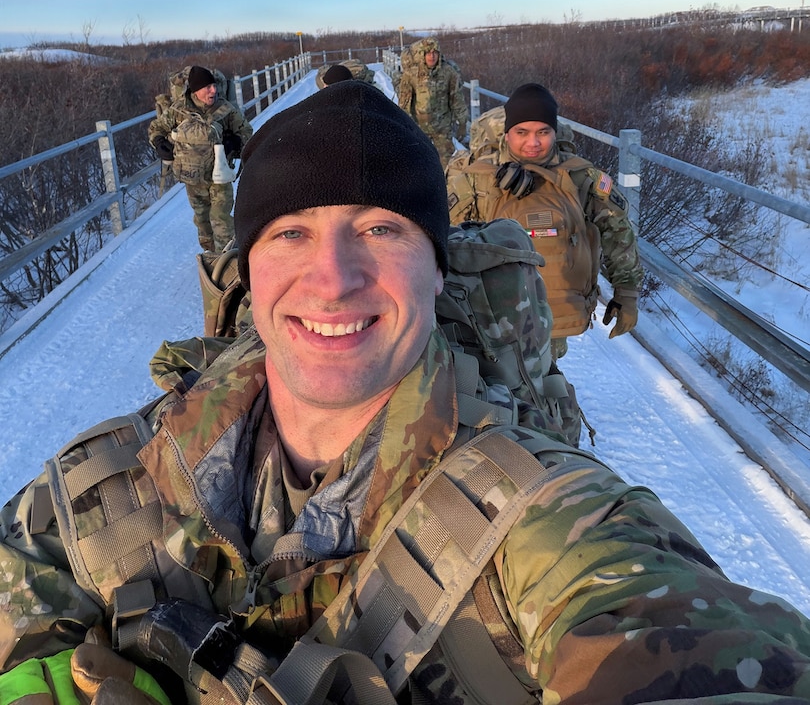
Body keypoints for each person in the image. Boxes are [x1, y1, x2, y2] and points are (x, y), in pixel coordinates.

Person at [2, 82, 810, 705]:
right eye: (290, 233)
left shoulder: (551, 527)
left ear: (437, 263)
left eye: (382, 229)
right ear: (247, 270)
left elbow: (671, 634)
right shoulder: (107, 479)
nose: (334, 279)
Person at [447, 82, 642, 360]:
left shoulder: (580, 177)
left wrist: (627, 293)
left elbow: (617, 232)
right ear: (507, 132)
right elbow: (446, 242)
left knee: (547, 381)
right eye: (521, 132)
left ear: (554, 132)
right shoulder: (477, 178)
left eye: (543, 132)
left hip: (556, 316)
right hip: (488, 319)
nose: (533, 142)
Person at [148, 64, 253, 253]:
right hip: (193, 178)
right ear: (196, 91)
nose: (213, 90)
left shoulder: (226, 110)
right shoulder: (178, 111)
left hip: (220, 176)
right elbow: (156, 128)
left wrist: (235, 141)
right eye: (208, 87)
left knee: (220, 218)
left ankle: (226, 262)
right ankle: (211, 256)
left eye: (214, 86)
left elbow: (246, 131)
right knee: (203, 221)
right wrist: (158, 142)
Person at [397, 36, 468, 167]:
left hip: (442, 127)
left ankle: (444, 187)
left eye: (435, 52)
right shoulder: (412, 74)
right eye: (428, 53)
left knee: (445, 165)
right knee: (419, 162)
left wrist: (462, 123)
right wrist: (403, 125)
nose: (432, 56)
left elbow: (456, 98)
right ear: (422, 54)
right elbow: (404, 102)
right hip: (419, 127)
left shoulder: (448, 72)